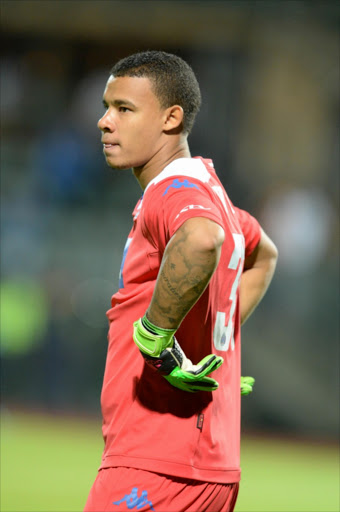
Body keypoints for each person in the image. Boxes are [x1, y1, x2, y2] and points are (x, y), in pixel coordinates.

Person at [84, 50, 278, 512]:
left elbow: (199, 240)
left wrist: (156, 336)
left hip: (155, 459)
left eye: (124, 109)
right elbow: (263, 255)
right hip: (209, 465)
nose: (104, 122)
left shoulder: (173, 192)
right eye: (107, 106)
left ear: (172, 118)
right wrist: (214, 342)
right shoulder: (214, 194)